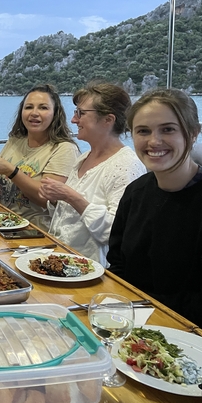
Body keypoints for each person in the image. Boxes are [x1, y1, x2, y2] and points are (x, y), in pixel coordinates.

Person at [107, 88, 202, 339]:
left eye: (168, 129)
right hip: (131, 328)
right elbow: (119, 263)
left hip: (195, 338)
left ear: (192, 134)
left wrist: (143, 311)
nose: (154, 142)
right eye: (143, 131)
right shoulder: (136, 192)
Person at [39, 82, 145, 265]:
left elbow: (115, 232)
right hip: (61, 261)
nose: (73, 120)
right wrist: (56, 199)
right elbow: (68, 220)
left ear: (108, 120)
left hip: (93, 272)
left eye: (81, 113)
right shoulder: (84, 157)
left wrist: (70, 196)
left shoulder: (126, 166)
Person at [0, 84, 79, 231]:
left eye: (43, 108)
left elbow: (46, 199)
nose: (34, 113)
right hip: (0, 225)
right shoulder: (15, 140)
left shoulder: (64, 148)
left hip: (35, 233)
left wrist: (12, 171)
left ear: (55, 113)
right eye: (29, 107)